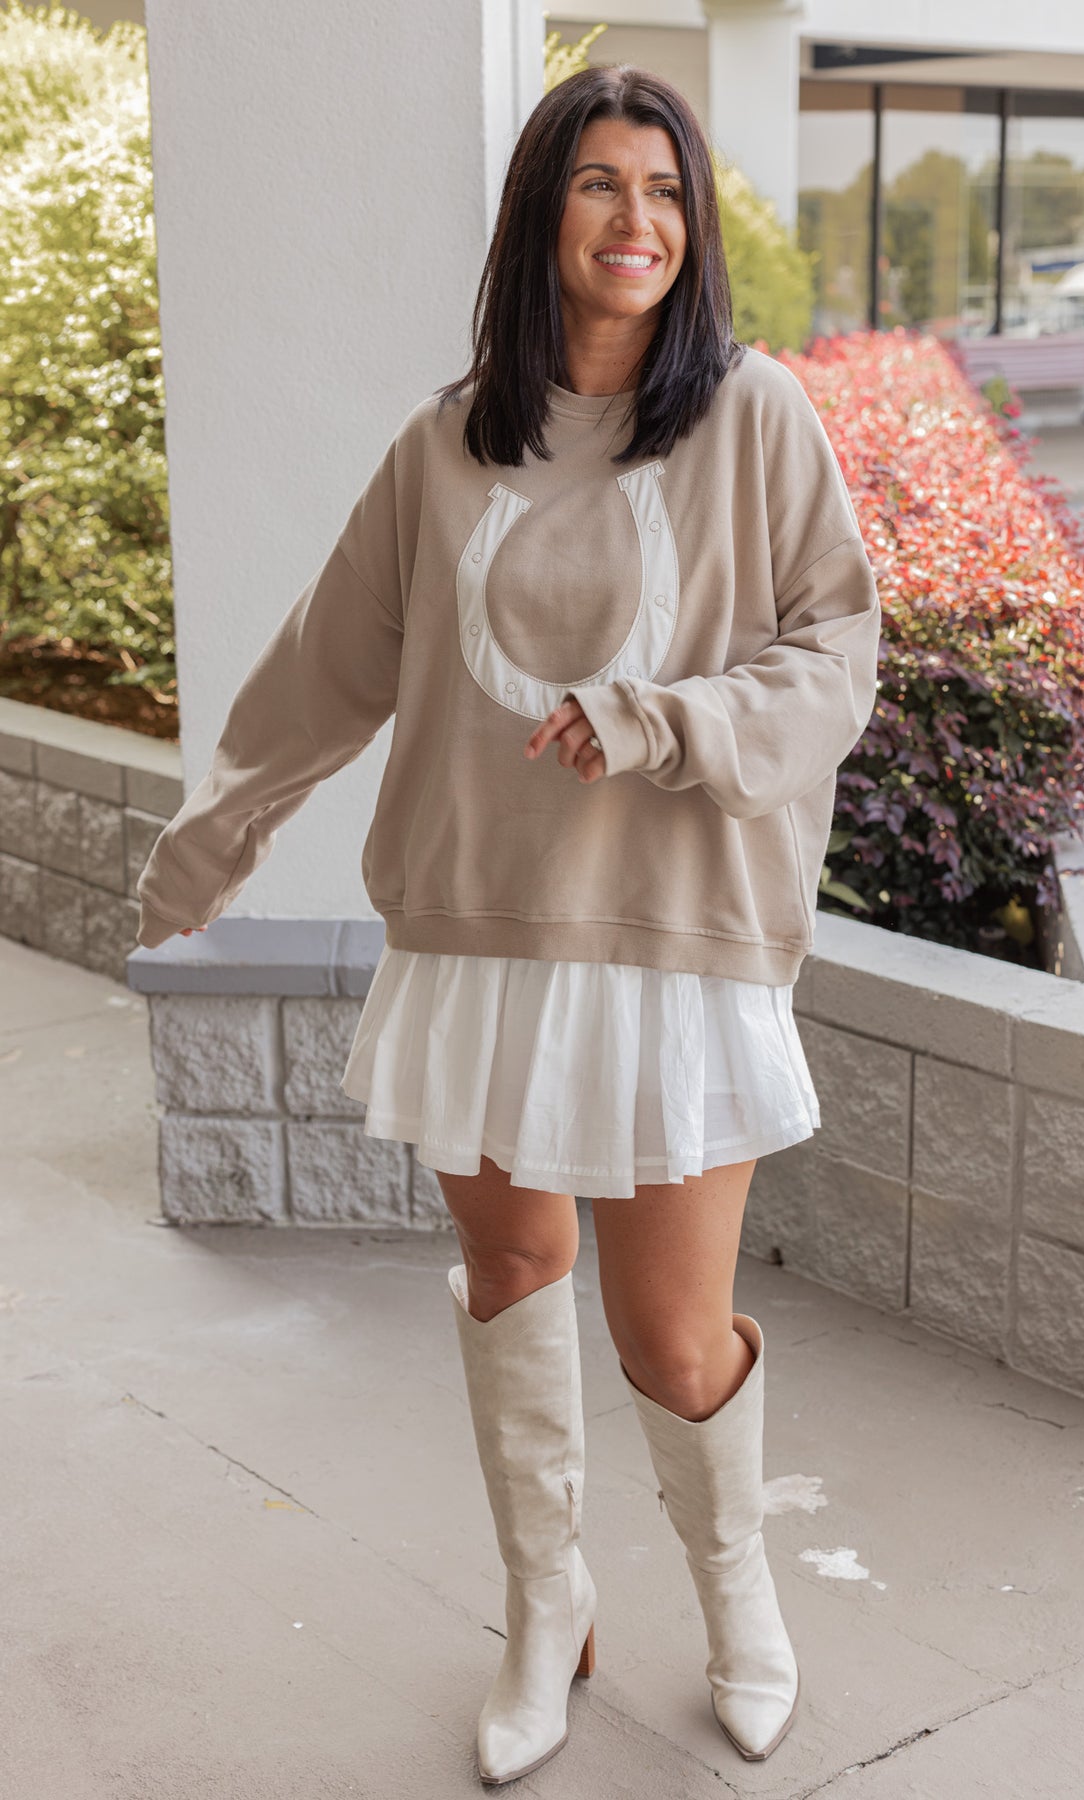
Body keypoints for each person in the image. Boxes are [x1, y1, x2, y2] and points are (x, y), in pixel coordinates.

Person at [135, 62, 881, 1791]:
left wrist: (664, 723)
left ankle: (736, 1593)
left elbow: (835, 659)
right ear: (542, 212)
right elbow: (322, 667)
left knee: (670, 1336)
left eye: (666, 191)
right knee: (510, 1279)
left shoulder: (754, 417)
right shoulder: (447, 443)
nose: (637, 221)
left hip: (674, 940)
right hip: (478, 938)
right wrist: (207, 846)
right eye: (600, 184)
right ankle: (547, 1609)